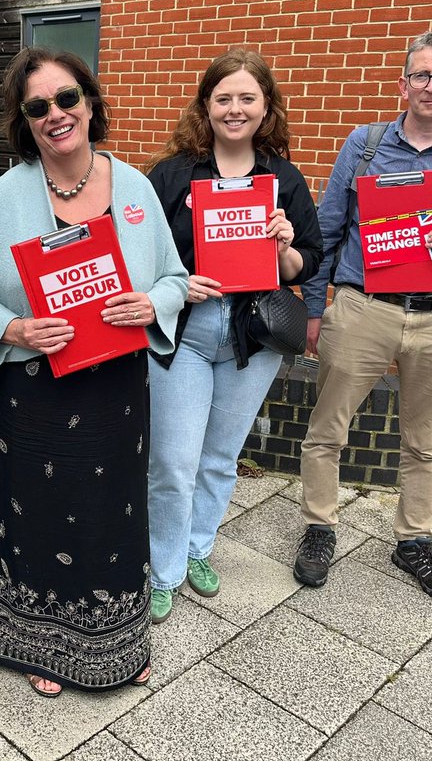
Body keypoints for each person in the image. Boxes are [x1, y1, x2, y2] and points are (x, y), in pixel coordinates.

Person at [0, 47, 188, 697]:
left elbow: (174, 278)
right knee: (37, 516)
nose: (56, 114)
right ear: (23, 121)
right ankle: (36, 640)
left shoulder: (134, 188)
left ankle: (120, 640)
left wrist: (153, 302)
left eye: (67, 98)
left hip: (115, 389)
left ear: (89, 101)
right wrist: (16, 329)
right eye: (37, 106)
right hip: (31, 393)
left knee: (114, 513)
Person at [293, 30, 432, 601]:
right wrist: (315, 310)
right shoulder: (363, 144)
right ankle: (319, 526)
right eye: (420, 75)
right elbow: (326, 231)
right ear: (402, 84)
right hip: (363, 308)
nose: (430, 86)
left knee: (425, 440)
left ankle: (414, 539)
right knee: (327, 430)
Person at [145, 49, 322, 623]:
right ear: (206, 105)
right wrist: (177, 282)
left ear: (265, 106)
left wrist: (282, 247)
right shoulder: (172, 174)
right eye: (223, 97)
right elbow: (139, 253)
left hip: (253, 337)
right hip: (188, 332)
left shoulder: (283, 179)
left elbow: (306, 266)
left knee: (220, 457)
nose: (235, 108)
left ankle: (198, 547)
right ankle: (164, 567)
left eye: (248, 97)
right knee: (173, 460)